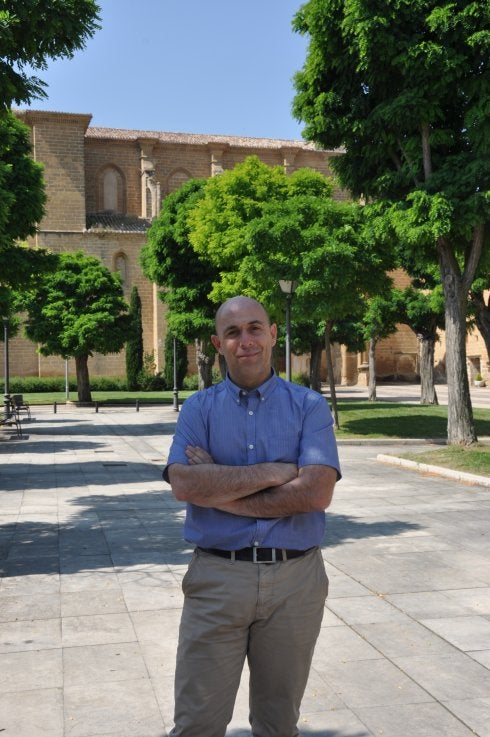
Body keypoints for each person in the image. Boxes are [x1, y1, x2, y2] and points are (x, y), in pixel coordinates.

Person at [163, 295, 340, 737]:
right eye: (233, 332)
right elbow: (184, 484)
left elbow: (317, 491)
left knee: (278, 724)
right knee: (196, 723)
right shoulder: (198, 409)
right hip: (217, 578)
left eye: (255, 328)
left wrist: (219, 490)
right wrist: (278, 473)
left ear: (273, 334)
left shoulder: (309, 406)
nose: (246, 340)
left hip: (296, 583)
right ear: (217, 343)